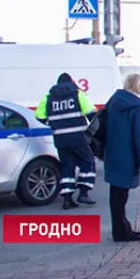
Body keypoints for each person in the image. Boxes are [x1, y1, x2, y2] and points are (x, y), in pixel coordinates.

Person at [35, 73, 98, 209]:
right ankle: (84, 192)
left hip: (60, 139)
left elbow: (39, 117)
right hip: (78, 137)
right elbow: (92, 114)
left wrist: (53, 123)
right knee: (88, 163)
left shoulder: (48, 97)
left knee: (67, 167)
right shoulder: (77, 94)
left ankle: (67, 199)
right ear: (71, 82)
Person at [103, 73, 140, 242]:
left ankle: (121, 228)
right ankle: (121, 232)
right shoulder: (136, 106)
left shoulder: (114, 101)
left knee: (115, 195)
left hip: (112, 152)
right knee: (122, 196)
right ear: (139, 86)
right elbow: (139, 137)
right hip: (127, 156)